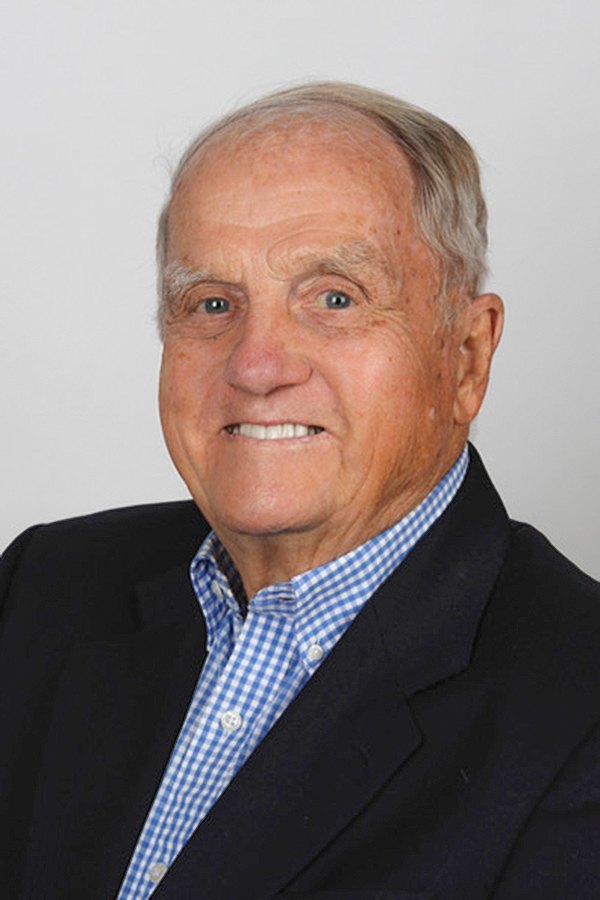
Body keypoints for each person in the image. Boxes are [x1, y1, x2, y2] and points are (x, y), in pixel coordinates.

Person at [1, 82, 600, 900]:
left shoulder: (579, 716)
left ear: (466, 357)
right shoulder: (40, 589)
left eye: (334, 299)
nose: (254, 365)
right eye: (212, 303)